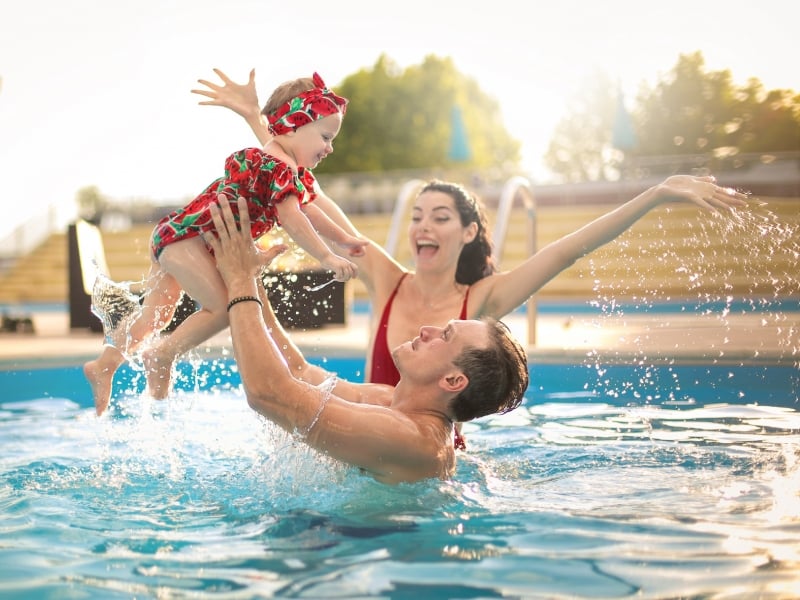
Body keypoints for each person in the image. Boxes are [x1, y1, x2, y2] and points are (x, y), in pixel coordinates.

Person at [192, 68, 749, 448]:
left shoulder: (479, 305)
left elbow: (567, 249)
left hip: (395, 445)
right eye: (416, 216)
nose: (421, 227)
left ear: (468, 232)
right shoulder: (388, 281)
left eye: (438, 217)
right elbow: (308, 192)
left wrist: (653, 195)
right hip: (369, 424)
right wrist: (257, 124)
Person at [84, 72, 366, 415]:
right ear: (293, 126)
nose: (330, 147)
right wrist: (326, 256)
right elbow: (294, 219)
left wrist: (345, 239)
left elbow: (309, 210)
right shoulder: (276, 166)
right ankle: (161, 355)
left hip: (176, 236)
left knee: (157, 315)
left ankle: (105, 364)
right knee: (222, 309)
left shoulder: (284, 168)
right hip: (188, 240)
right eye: (325, 136)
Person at [205, 195, 529, 484]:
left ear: (454, 379)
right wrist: (251, 275)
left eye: (445, 336)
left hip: (363, 544)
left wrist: (239, 281)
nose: (427, 330)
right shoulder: (390, 401)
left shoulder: (411, 440)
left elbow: (269, 395)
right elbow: (298, 374)